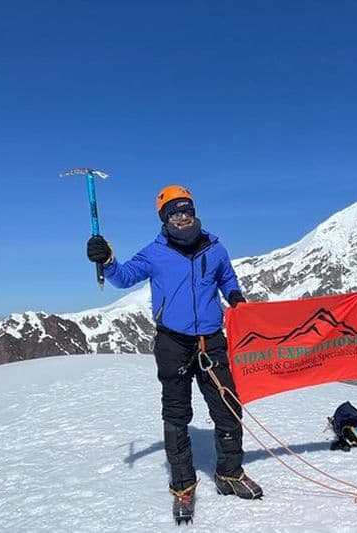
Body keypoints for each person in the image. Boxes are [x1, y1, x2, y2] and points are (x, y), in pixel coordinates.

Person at [86, 185, 263, 522]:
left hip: (211, 340)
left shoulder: (216, 248)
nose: (183, 218)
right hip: (173, 342)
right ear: (164, 219)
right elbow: (124, 278)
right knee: (176, 415)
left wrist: (236, 297)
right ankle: (183, 485)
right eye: (175, 213)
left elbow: (227, 278)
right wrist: (106, 260)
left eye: (187, 210)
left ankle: (230, 473)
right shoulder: (154, 253)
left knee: (228, 407)